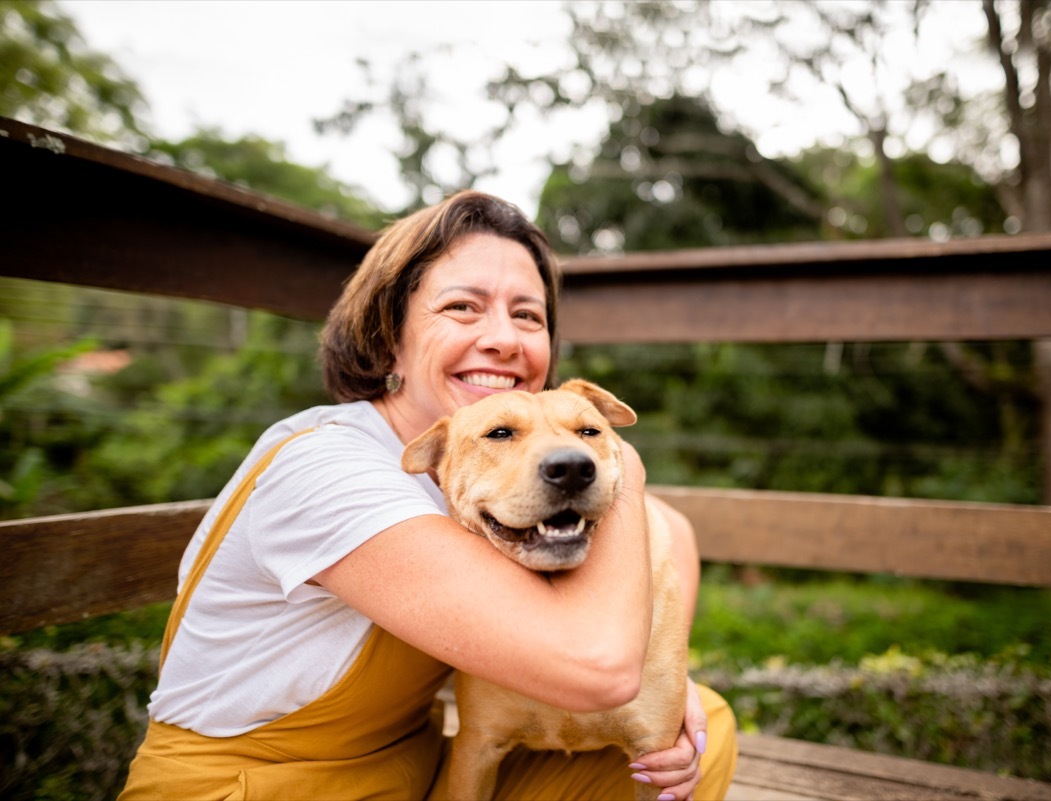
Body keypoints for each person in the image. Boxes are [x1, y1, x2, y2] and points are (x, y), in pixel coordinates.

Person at [120, 190, 737, 800]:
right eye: (463, 307)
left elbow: (670, 531)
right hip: (256, 788)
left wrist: (659, 676)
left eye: (528, 315)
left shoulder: (491, 475)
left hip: (415, 775)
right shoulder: (327, 468)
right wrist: (620, 457)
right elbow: (598, 668)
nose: (505, 340)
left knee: (704, 729)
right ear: (389, 336)